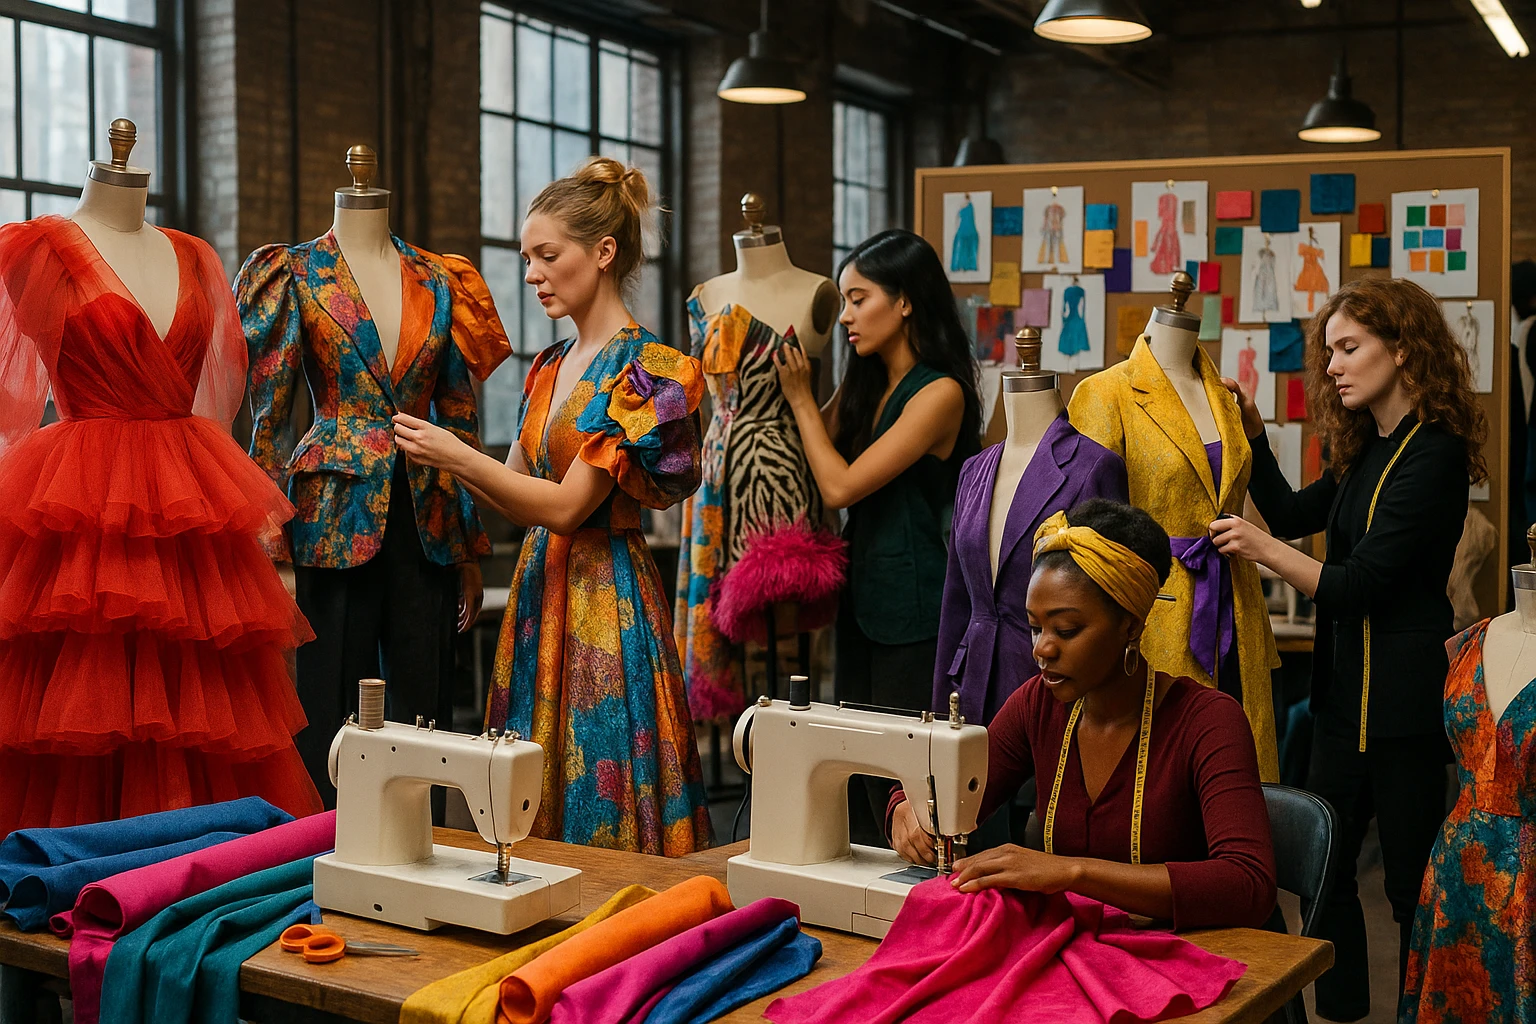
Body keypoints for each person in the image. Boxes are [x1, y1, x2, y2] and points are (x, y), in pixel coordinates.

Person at [392, 157, 712, 856]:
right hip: (543, 594)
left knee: (602, 776)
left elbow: (567, 507)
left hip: (605, 596)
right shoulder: (547, 366)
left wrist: (454, 454)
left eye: (547, 255)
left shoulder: (647, 372)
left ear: (602, 253)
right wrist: (437, 461)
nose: (532, 274)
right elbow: (515, 495)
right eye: (526, 258)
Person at [1210, 277, 1486, 1021]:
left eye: (1349, 347)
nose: (1332, 365)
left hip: (1402, 710)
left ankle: (1417, 1012)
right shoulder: (1368, 449)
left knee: (1407, 889)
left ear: (1401, 348)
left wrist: (1261, 548)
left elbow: (1358, 584)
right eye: (1329, 349)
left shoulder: (1435, 454)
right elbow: (1300, 512)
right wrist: (1257, 435)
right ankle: (1340, 1013)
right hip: (1343, 705)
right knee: (1324, 879)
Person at [888, 500, 1276, 931]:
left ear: (1131, 626)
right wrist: (904, 809)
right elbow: (951, 787)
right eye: (1035, 627)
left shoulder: (1207, 722)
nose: (1042, 649)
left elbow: (1248, 884)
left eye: (1066, 630)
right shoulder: (1039, 704)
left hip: (1201, 959)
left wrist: (1071, 872)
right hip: (1084, 951)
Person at [775, 228, 981, 845]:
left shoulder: (940, 392)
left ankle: (913, 901)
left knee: (900, 763)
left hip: (914, 604)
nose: (845, 316)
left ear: (906, 301)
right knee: (853, 759)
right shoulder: (871, 382)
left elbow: (839, 485)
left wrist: (802, 399)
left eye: (858, 298)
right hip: (863, 598)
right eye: (842, 301)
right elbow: (807, 453)